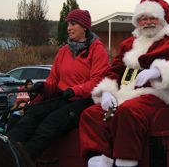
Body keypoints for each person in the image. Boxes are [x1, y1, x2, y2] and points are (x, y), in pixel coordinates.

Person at [79, 0, 169, 167]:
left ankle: (125, 162)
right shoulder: (128, 45)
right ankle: (98, 160)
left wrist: (157, 71)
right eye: (142, 19)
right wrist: (107, 92)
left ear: (163, 20)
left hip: (161, 95)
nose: (147, 22)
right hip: (128, 95)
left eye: (152, 18)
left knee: (129, 111)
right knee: (91, 114)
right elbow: (115, 71)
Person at [7, 9, 110, 160]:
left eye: (73, 23)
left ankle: (23, 160)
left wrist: (74, 90)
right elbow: (53, 80)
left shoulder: (97, 50)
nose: (68, 27)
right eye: (68, 23)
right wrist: (43, 87)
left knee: (51, 123)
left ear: (84, 27)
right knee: (32, 114)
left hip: (85, 101)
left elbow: (97, 82)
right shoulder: (63, 51)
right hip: (64, 98)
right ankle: (5, 152)